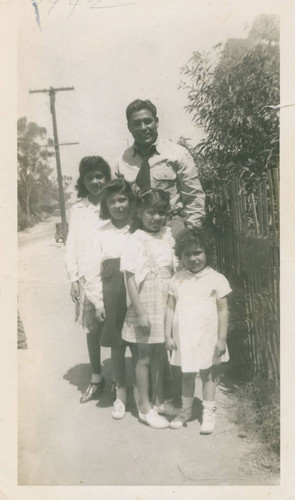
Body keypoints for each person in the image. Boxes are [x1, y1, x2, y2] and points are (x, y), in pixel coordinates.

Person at [121, 188, 179, 429]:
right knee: (144, 355)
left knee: (160, 354)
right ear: (140, 213)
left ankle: (158, 401)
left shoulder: (167, 235)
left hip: (166, 298)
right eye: (151, 212)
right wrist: (141, 312)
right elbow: (130, 278)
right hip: (146, 300)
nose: (156, 218)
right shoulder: (135, 239)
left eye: (161, 213)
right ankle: (144, 408)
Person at [165, 227, 231, 434]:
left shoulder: (216, 279)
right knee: (186, 374)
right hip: (184, 337)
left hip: (207, 337)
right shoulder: (177, 279)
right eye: (187, 254)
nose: (193, 258)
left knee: (207, 374)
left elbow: (223, 311)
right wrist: (167, 335)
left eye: (197, 252)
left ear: (206, 252)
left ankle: (208, 412)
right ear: (180, 257)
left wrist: (221, 339)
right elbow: (170, 307)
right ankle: (185, 411)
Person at [83, 178, 138, 420]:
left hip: (137, 291)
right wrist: (98, 303)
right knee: (117, 345)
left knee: (139, 345)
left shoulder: (139, 229)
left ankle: (142, 392)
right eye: (112, 201)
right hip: (112, 293)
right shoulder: (100, 233)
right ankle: (121, 393)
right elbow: (92, 270)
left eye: (122, 199)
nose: (118, 205)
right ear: (106, 205)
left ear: (130, 201)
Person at [115, 99, 205, 230]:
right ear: (129, 127)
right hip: (136, 233)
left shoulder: (178, 155)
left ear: (156, 122)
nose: (143, 128)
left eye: (147, 121)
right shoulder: (121, 162)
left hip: (171, 227)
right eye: (137, 123)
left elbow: (194, 198)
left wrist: (190, 235)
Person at [65, 156, 111, 403]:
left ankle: (121, 383)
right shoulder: (78, 209)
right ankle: (96, 377)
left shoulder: (114, 202)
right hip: (89, 276)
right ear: (83, 180)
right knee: (93, 330)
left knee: (118, 327)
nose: (95, 181)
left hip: (113, 274)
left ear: (107, 178)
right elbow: (71, 244)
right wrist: (73, 277)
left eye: (99, 176)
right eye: (90, 177)